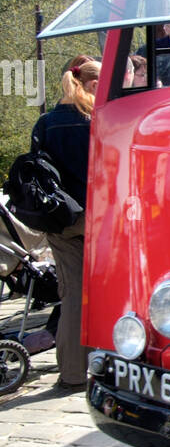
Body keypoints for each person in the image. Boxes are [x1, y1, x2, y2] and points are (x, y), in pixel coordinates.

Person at [30, 57, 101, 390]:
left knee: (72, 296)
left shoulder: (45, 123)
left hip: (61, 220)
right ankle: (111, 368)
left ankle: (72, 374)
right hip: (100, 216)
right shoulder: (97, 121)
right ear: (92, 86)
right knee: (109, 291)